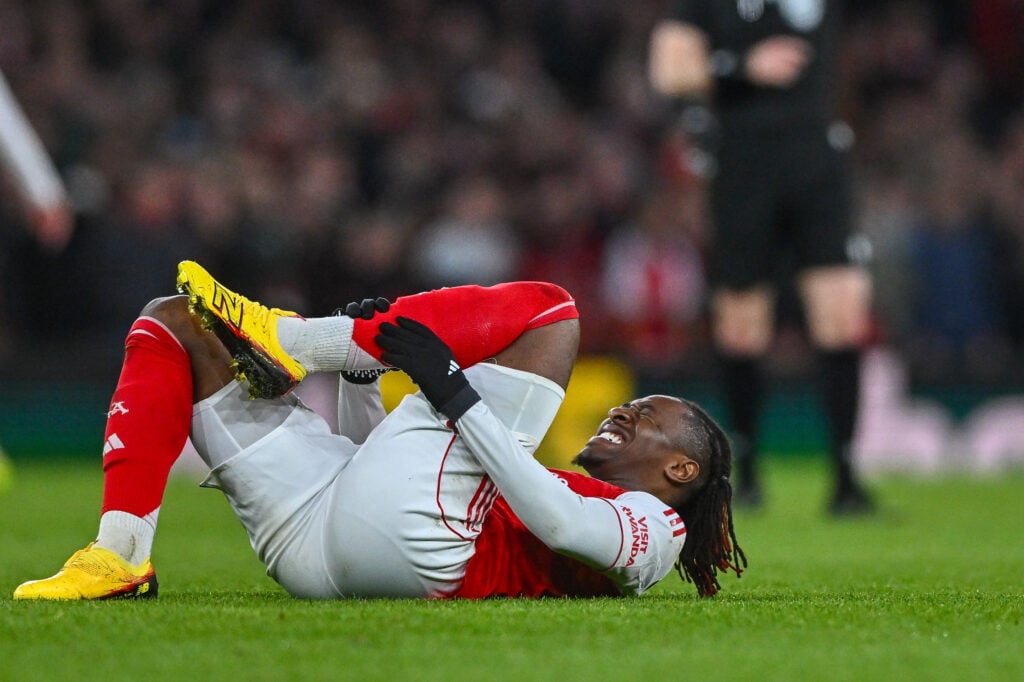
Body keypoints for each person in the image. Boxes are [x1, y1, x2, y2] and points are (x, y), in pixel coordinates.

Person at [14, 261, 744, 601]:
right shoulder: (560, 479)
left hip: (423, 561)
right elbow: (380, 471)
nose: (623, 412)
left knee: (553, 311)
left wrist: (452, 389)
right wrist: (364, 383)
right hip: (324, 532)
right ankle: (119, 556)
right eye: (631, 406)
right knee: (175, 320)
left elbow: (559, 524)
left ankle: (296, 341)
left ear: (682, 471)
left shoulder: (658, 529)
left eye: (647, 418)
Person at [649, 0, 874, 514]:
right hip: (744, 167)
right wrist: (741, 65)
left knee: (841, 317)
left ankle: (845, 477)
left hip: (818, 165)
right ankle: (746, 475)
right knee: (741, 325)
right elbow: (667, 70)